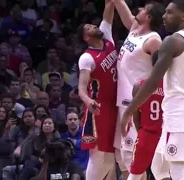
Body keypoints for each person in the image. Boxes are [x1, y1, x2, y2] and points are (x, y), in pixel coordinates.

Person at [121, 0, 184, 179]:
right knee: (159, 168)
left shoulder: (173, 41)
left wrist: (128, 111)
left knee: (179, 170)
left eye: (169, 12)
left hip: (179, 109)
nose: (164, 17)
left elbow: (152, 82)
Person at [111, 0, 165, 177]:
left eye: (143, 9)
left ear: (148, 17)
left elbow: (161, 73)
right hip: (129, 94)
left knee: (135, 153)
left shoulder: (154, 40)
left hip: (145, 99)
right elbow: (122, 9)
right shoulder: (135, 29)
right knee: (128, 154)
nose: (139, 10)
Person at [77, 0, 117, 179]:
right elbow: (81, 88)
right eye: (90, 28)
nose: (94, 26)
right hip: (98, 107)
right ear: (86, 37)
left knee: (110, 155)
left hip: (115, 104)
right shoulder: (86, 58)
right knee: (97, 154)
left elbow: (109, 8)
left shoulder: (107, 37)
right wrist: (88, 101)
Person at [127, 78, 164, 180]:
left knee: (134, 175)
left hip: (146, 135)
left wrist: (141, 131)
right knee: (165, 174)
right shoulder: (171, 85)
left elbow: (136, 116)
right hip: (165, 137)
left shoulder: (139, 85)